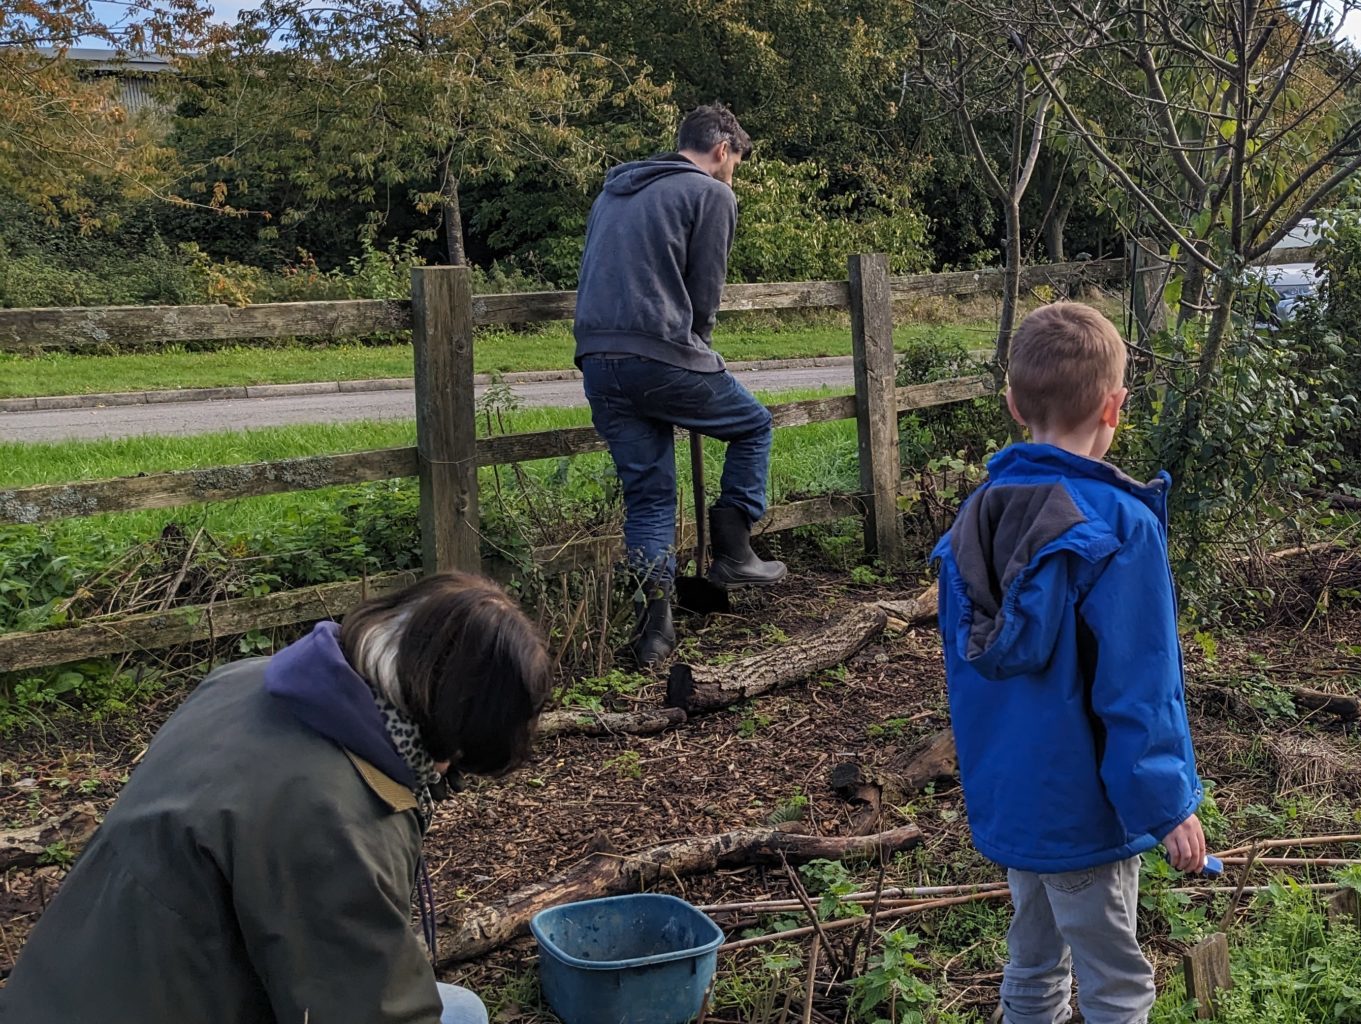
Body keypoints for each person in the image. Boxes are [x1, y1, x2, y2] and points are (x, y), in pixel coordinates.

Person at [0, 574, 553, 1024]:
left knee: (456, 1008)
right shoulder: (332, 816)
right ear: (447, 725)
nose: (448, 775)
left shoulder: (244, 681)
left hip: (61, 989)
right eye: (458, 758)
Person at [932, 302, 1206, 1024]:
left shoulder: (975, 519)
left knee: (1032, 966)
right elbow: (1138, 689)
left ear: (1015, 403)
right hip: (1088, 811)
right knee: (1118, 986)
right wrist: (1168, 802)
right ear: (1116, 408)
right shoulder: (1122, 527)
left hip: (1016, 801)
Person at [574, 102, 786, 669]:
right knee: (754, 425)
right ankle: (736, 549)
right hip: (662, 354)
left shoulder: (613, 193)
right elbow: (705, 288)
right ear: (722, 150)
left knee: (649, 499)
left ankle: (654, 631)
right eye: (735, 162)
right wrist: (700, 349)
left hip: (597, 359)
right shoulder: (712, 194)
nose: (732, 172)